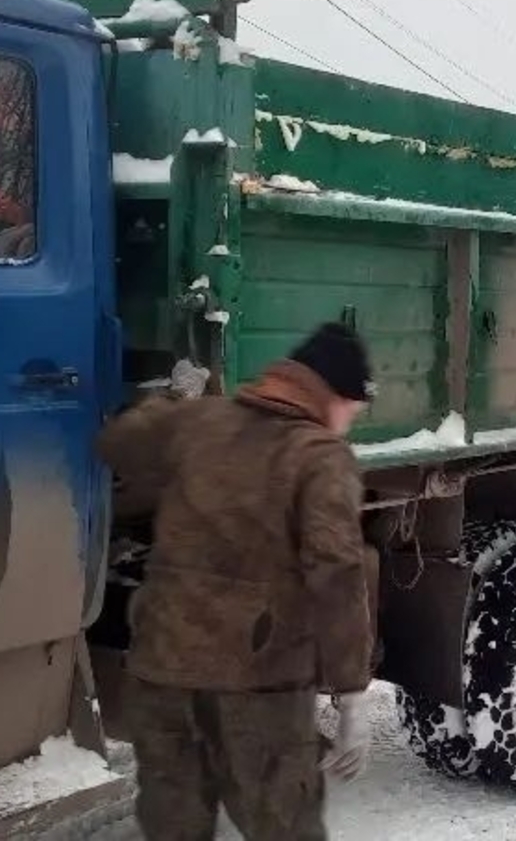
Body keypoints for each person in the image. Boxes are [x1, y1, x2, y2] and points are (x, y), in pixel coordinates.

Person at [96, 323, 377, 841]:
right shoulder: (319, 457)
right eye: (352, 411)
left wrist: (173, 399)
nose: (348, 426)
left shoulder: (201, 420)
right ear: (332, 395)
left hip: (163, 673)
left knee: (173, 826)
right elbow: (336, 574)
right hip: (259, 688)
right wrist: (352, 693)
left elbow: (117, 444)